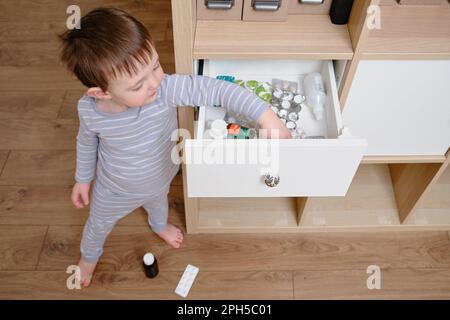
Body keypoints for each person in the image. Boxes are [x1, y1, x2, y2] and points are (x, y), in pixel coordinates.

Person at [59, 7, 290, 287]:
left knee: (159, 204)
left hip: (161, 176)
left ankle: (159, 226)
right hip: (113, 188)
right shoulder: (90, 110)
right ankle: (88, 258)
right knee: (97, 226)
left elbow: (216, 90)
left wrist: (266, 116)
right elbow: (86, 142)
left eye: (155, 66)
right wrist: (83, 179)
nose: (155, 82)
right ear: (101, 92)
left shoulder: (165, 90)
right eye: (138, 85)